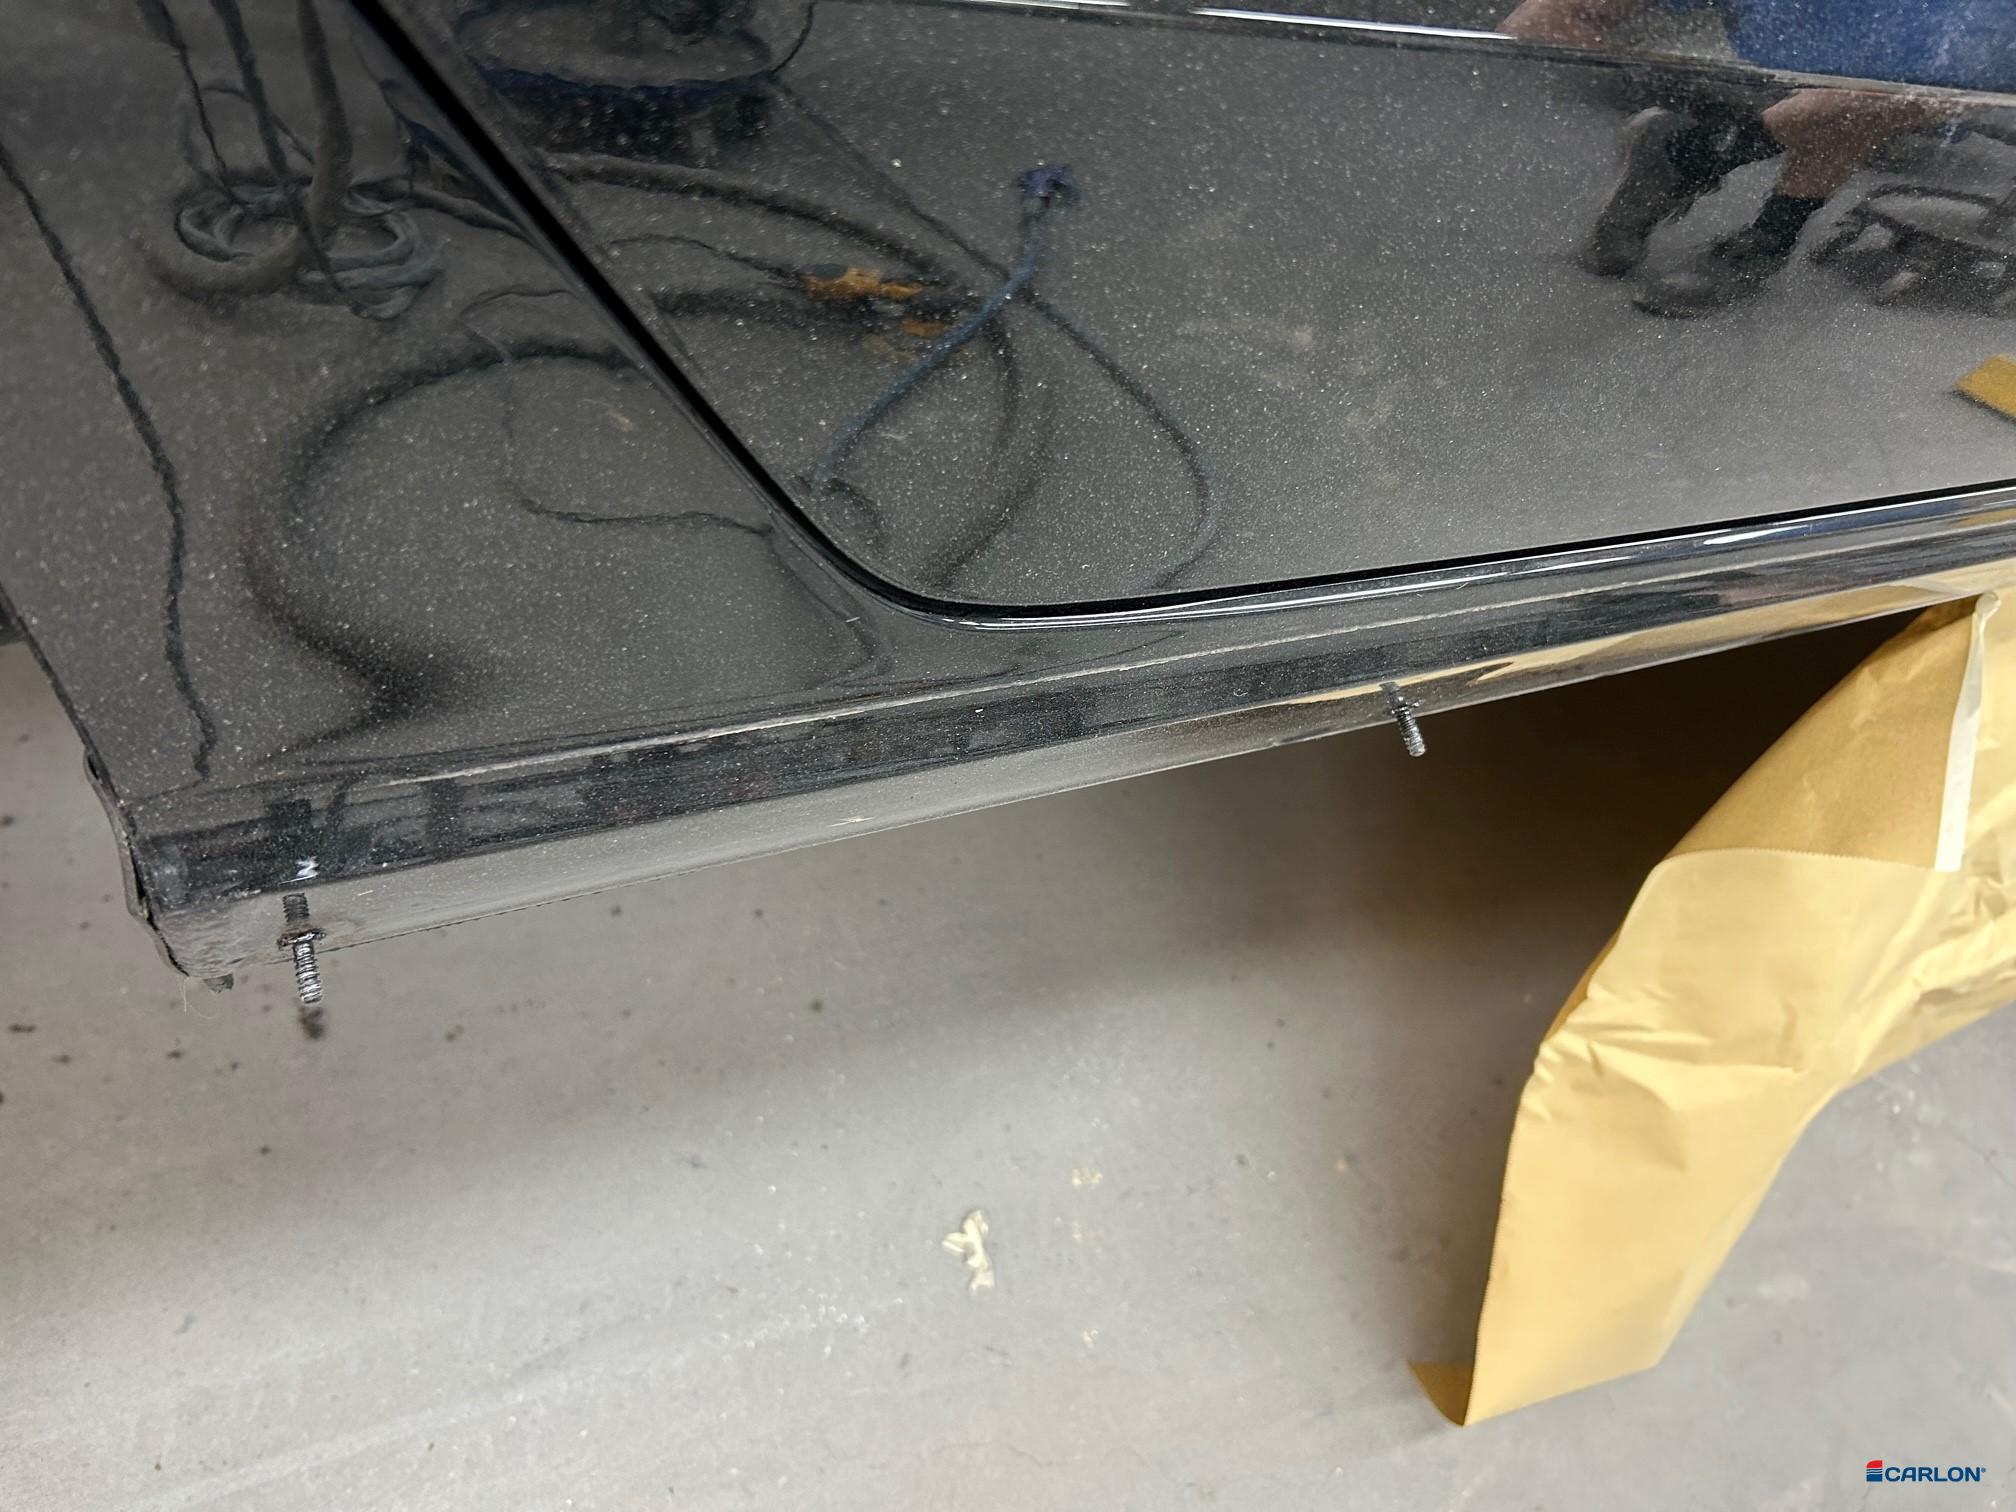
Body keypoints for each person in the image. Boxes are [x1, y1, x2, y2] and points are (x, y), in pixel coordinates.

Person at [1500, 0, 2010, 315]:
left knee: (1869, 102)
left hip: (1931, 72)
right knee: (1855, 102)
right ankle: (1721, 178)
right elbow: (1535, 23)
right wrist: (1690, 93)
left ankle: (1690, 157)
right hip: (1786, 75)